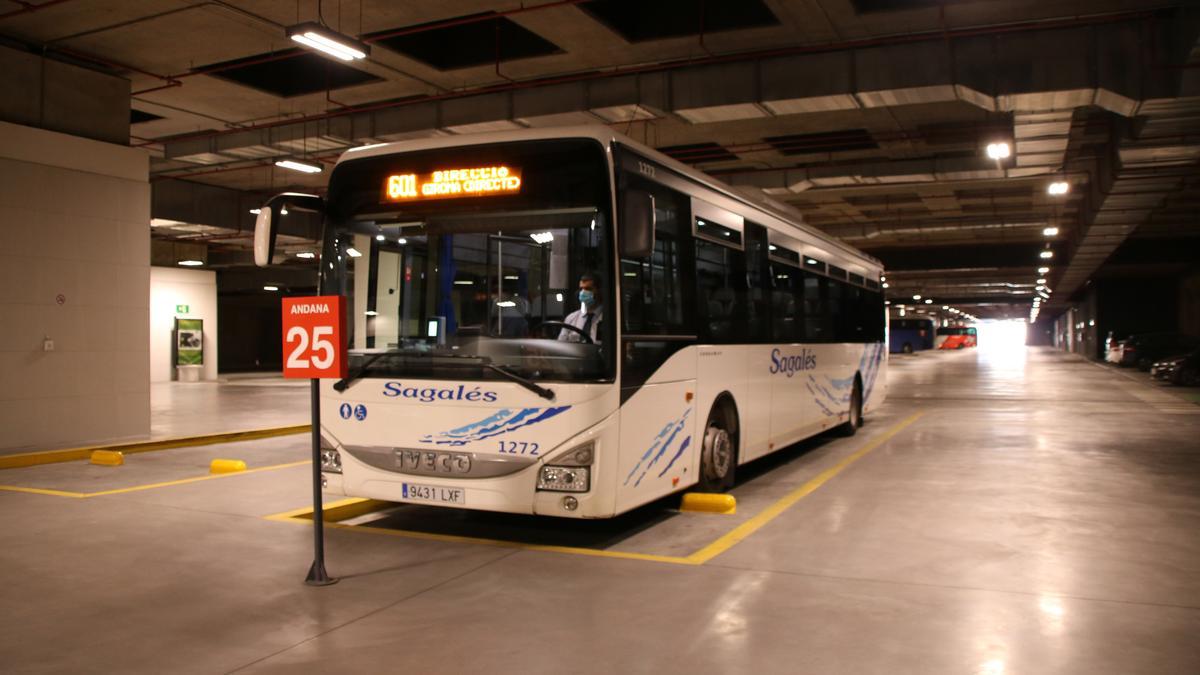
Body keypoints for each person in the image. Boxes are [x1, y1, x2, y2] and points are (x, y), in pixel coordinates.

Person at [558, 274, 603, 343]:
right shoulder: (571, 318)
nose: (583, 292)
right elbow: (560, 346)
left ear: (598, 290)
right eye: (581, 289)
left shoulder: (607, 319)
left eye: (588, 289)